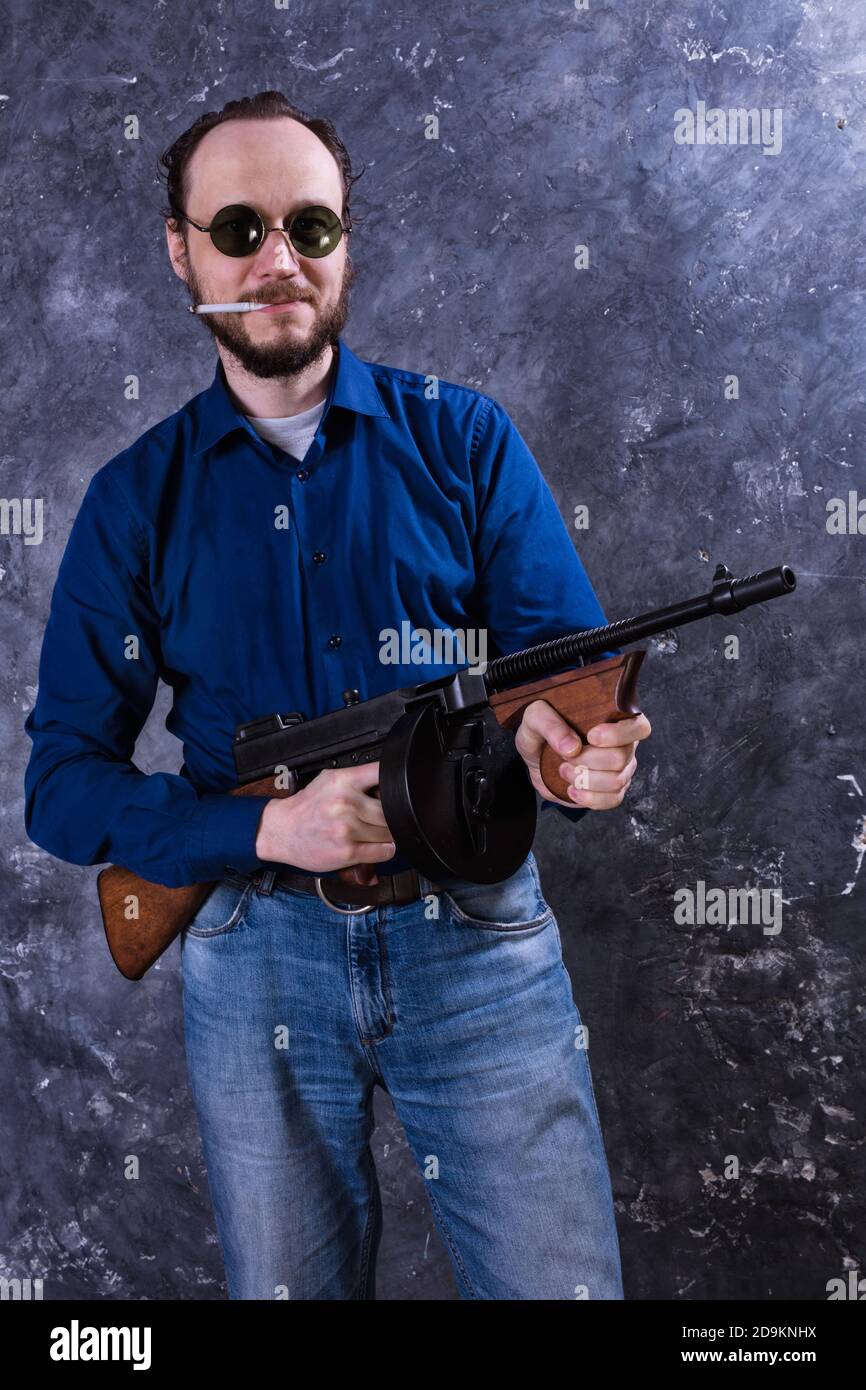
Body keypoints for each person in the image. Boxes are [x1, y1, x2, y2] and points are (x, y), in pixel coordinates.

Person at [23, 90, 651, 1300]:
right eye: (239, 227)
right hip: (255, 958)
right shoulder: (132, 502)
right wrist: (264, 828)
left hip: (474, 944)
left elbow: (563, 691)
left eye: (310, 228)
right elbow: (61, 787)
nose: (276, 259)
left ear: (345, 244)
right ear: (181, 248)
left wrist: (581, 758)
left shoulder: (462, 443)